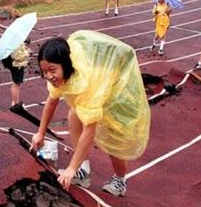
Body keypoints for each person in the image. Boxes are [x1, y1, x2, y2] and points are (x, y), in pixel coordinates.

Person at [31, 31, 150, 196]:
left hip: (115, 90)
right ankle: (83, 171)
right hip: (97, 78)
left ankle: (120, 181)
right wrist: (40, 133)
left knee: (112, 137)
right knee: (74, 114)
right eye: (44, 71)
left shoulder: (86, 86)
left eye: (52, 70)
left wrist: (71, 168)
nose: (49, 76)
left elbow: (89, 130)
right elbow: (51, 102)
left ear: (65, 65)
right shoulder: (59, 75)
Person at [1, 42, 30, 111]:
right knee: (16, 83)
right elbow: (17, 56)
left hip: (14, 64)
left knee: (16, 83)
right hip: (17, 65)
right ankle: (16, 105)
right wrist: (27, 52)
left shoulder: (12, 40)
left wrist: (25, 49)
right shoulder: (15, 42)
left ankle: (15, 102)